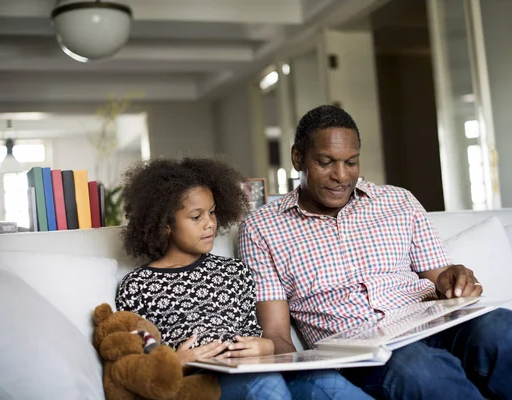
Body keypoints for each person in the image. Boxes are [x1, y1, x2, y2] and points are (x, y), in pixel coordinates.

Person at [238, 105, 512, 400]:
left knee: (511, 331)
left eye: (351, 162)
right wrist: (281, 363)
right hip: (361, 349)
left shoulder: (398, 201)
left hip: (434, 323)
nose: (341, 176)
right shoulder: (262, 227)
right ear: (298, 158)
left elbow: (440, 276)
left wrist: (456, 280)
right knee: (421, 369)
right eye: (326, 162)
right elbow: (278, 334)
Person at [116, 157, 372, 400]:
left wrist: (266, 348)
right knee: (266, 385)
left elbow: (255, 334)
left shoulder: (235, 272)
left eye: (213, 213)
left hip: (252, 368)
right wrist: (177, 362)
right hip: (200, 381)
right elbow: (141, 358)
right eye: (196, 217)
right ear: (164, 224)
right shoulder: (137, 285)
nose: (209, 224)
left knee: (322, 379)